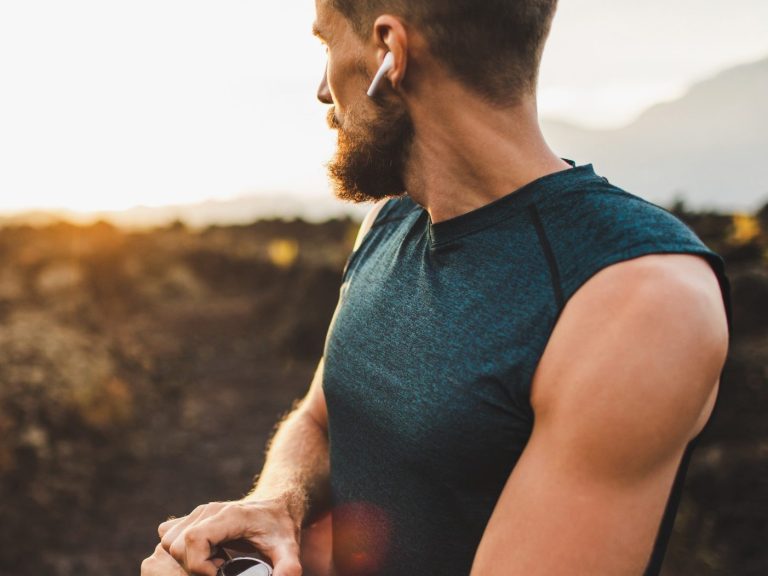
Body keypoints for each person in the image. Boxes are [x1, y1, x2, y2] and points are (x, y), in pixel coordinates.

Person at [142, 1, 732, 575]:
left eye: (326, 43)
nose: (323, 89)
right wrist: (278, 506)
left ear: (388, 52)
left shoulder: (639, 295)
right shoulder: (390, 219)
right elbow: (322, 420)